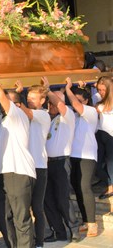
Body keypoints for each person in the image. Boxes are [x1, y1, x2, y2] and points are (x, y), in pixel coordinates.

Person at [0, 72, 35, 248]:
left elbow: (3, 97)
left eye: (7, 101)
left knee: (20, 218)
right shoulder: (3, 120)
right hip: (2, 173)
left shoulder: (19, 116)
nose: (2, 105)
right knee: (1, 215)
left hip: (18, 172)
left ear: (17, 105)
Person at [44, 78, 78, 242]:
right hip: (46, 163)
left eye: (53, 102)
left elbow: (61, 106)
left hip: (61, 162)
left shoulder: (67, 116)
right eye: (49, 103)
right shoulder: (44, 118)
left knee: (62, 197)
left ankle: (73, 228)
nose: (51, 105)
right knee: (48, 199)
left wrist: (49, 91)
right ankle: (58, 231)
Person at [65, 80, 99, 237]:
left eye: (79, 100)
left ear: (86, 101)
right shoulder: (73, 116)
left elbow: (76, 105)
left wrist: (68, 89)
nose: (75, 103)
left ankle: (92, 223)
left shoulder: (90, 112)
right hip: (73, 156)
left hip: (87, 156)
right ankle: (86, 221)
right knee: (77, 189)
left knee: (85, 187)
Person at [22, 82, 51, 248]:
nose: (30, 100)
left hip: (39, 167)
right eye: (28, 98)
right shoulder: (26, 116)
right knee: (24, 208)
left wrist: (17, 98)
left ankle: (39, 242)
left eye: (33, 98)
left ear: (42, 100)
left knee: (37, 208)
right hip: (25, 167)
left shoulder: (43, 115)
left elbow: (25, 110)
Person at [95, 76, 113, 199]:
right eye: (99, 90)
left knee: (110, 163)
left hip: (111, 136)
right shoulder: (98, 103)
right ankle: (107, 182)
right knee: (97, 164)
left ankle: (110, 187)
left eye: (103, 90)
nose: (100, 92)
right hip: (100, 135)